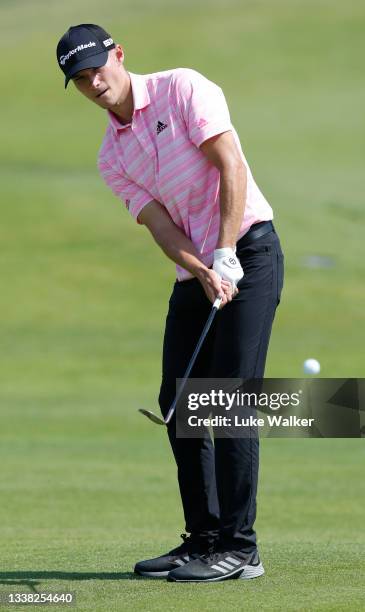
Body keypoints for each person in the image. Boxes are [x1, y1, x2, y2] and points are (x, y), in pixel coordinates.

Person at [56, 23, 284, 583]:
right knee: (178, 400)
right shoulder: (112, 155)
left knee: (227, 399)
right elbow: (160, 225)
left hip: (250, 252)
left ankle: (241, 548)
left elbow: (229, 164)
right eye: (80, 79)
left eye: (97, 68)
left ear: (119, 54)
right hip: (199, 271)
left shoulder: (184, 88)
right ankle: (203, 538)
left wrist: (227, 253)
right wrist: (203, 267)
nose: (94, 82)